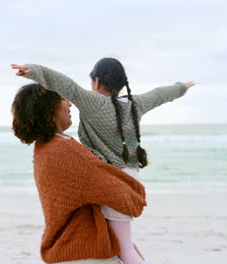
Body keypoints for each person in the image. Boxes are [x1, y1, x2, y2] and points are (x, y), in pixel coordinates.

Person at [12, 58, 196, 263]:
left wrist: (34, 71)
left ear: (96, 82)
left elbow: (65, 84)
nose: (69, 101)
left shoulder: (93, 103)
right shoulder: (135, 105)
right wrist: (182, 87)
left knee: (125, 249)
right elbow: (161, 95)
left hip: (113, 179)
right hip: (130, 175)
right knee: (124, 245)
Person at [11, 83, 147, 264]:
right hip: (85, 253)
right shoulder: (63, 150)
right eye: (63, 99)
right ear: (49, 107)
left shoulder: (45, 147)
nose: (70, 104)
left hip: (69, 251)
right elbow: (127, 200)